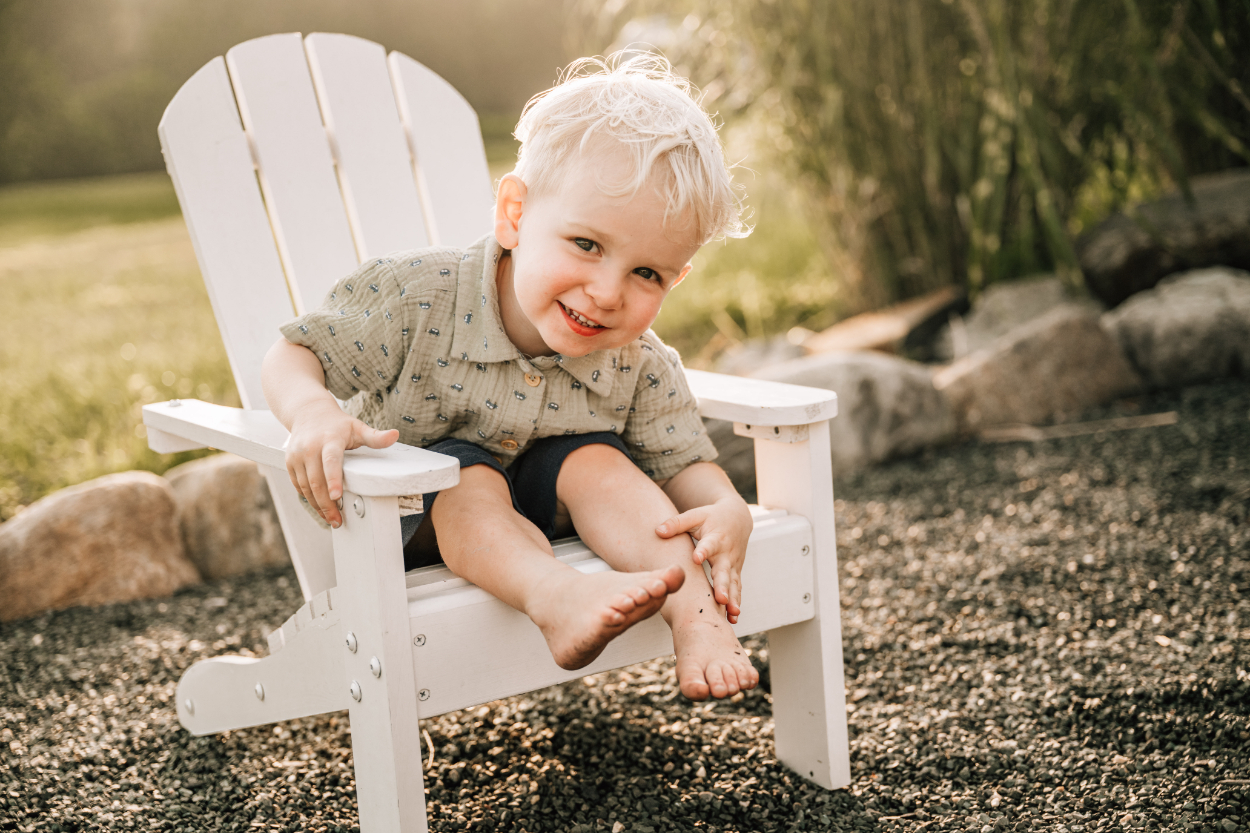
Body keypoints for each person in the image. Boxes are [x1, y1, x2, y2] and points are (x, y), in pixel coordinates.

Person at [260, 53, 758, 701]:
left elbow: (681, 458)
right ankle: (556, 598)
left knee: (598, 462)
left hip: (558, 518)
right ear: (515, 214)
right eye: (586, 244)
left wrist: (725, 505)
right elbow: (295, 352)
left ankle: (699, 619)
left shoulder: (638, 360)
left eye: (647, 274)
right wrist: (312, 410)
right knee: (464, 474)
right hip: (422, 519)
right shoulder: (416, 298)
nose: (607, 291)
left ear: (676, 277)